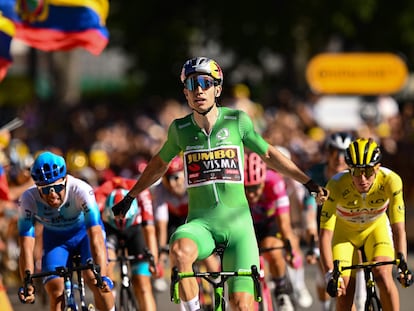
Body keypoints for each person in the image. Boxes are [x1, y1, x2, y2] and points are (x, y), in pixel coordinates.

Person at [111, 56, 327, 311]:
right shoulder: (180, 129)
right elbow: (159, 165)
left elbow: (269, 155)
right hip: (200, 225)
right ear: (185, 93)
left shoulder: (237, 121)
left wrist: (308, 182)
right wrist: (131, 196)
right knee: (179, 251)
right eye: (192, 85)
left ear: (218, 89)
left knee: (241, 305)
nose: (199, 90)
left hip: (239, 229)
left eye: (205, 83)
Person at [320, 138, 413, 311]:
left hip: (375, 230)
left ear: (377, 167)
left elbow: (398, 227)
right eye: (356, 172)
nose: (362, 178)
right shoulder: (336, 185)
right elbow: (325, 235)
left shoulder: (391, 181)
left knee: (384, 276)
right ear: (349, 169)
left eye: (368, 171)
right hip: (344, 236)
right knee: (344, 291)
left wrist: (403, 264)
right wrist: (329, 275)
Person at [17, 151, 115, 311]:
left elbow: (96, 236)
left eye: (57, 187)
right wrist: (27, 283)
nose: (53, 195)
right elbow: (26, 246)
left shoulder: (81, 189)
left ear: (65, 180)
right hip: (56, 241)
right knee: (55, 289)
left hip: (85, 236)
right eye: (46, 190)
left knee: (94, 280)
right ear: (37, 187)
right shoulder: (28, 199)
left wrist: (102, 274)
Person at [244, 150, 312, 311]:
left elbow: (284, 223)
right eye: (247, 188)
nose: (251, 194)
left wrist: (289, 247)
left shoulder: (275, 183)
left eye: (255, 188)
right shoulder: (235, 186)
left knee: (273, 249)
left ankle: (281, 288)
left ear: (262, 181)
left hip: (270, 223)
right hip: (247, 225)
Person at [305, 131, 355, 311]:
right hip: (322, 224)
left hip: (349, 224)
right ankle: (325, 306)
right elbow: (309, 210)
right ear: (328, 153)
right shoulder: (316, 174)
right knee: (323, 273)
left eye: (344, 153)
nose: (339, 158)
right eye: (335, 152)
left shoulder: (356, 175)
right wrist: (312, 241)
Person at [95, 176, 159, 311]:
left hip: (134, 229)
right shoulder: (99, 196)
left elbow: (150, 230)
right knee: (106, 270)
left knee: (143, 283)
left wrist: (154, 262)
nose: (121, 223)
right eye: (118, 220)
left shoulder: (142, 193)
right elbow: (94, 235)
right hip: (109, 229)